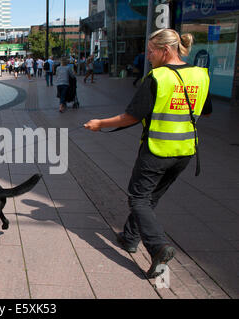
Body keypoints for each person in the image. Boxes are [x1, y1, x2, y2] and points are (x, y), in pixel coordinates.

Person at [84, 29, 212, 278]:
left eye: (151, 51)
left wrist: (100, 124)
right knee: (149, 198)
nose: (148, 56)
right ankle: (130, 238)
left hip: (157, 149)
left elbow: (132, 116)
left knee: (138, 198)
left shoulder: (158, 77)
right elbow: (206, 112)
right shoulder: (200, 75)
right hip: (185, 151)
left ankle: (158, 247)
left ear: (166, 51)